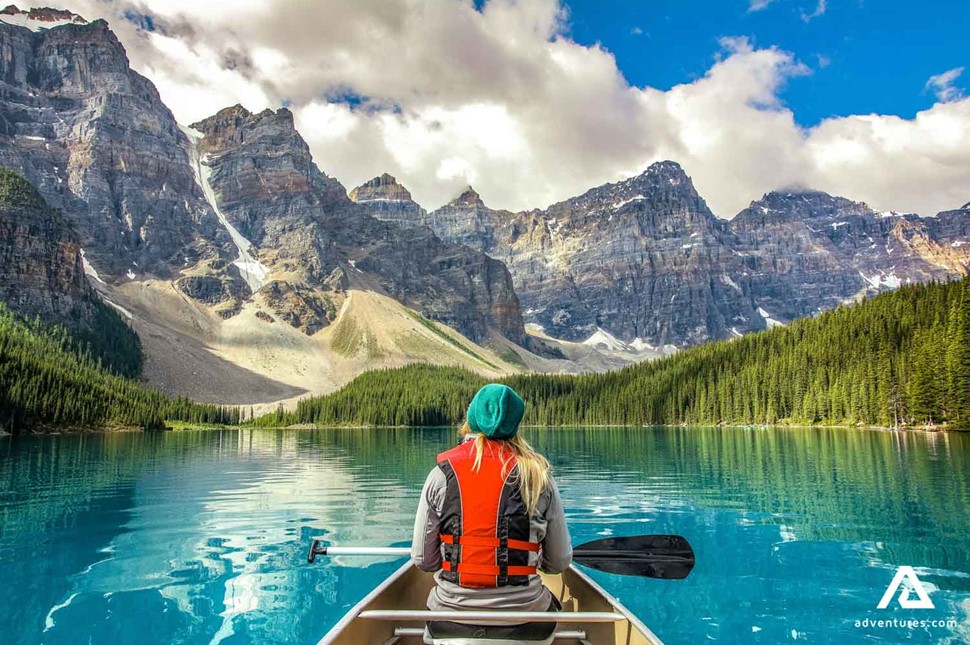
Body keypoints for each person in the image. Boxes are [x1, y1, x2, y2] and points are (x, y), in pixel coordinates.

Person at [411, 383, 572, 644]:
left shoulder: (440, 475)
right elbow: (558, 563)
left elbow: (423, 560)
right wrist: (529, 557)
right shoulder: (539, 477)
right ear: (515, 425)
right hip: (525, 625)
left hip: (449, 622)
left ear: (471, 420)